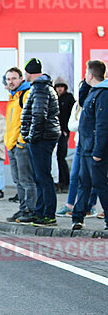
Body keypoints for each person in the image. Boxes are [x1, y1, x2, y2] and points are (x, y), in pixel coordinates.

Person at [17, 58, 61, 226]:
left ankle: (48, 214)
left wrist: (31, 137)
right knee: (40, 176)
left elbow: (38, 115)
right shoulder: (42, 87)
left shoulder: (40, 88)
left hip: (41, 139)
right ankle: (41, 211)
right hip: (43, 137)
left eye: (26, 72)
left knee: (43, 177)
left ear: (29, 72)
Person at [71, 60, 108, 232]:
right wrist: (84, 85)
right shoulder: (92, 92)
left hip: (94, 149)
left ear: (91, 75)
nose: (85, 76)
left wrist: (98, 151)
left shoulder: (103, 95)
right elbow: (82, 100)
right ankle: (78, 217)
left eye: (86, 73)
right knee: (82, 183)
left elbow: (102, 125)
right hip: (85, 147)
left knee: (100, 185)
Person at [56, 80, 99, 217]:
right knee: (75, 176)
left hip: (93, 144)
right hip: (80, 143)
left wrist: (83, 125)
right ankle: (70, 204)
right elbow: (71, 125)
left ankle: (90, 206)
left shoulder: (97, 102)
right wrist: (84, 124)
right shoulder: (77, 105)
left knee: (93, 177)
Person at [4, 68, 36, 222]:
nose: (11, 82)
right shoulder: (12, 96)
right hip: (11, 144)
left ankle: (30, 209)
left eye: (14, 78)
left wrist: (21, 141)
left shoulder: (26, 94)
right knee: (17, 179)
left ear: (21, 78)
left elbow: (29, 120)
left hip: (20, 145)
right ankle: (22, 208)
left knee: (26, 180)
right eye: (8, 79)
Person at [54, 79, 76, 192]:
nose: (59, 89)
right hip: (54, 131)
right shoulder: (54, 98)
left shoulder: (68, 98)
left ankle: (65, 182)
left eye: (61, 86)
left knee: (61, 156)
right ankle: (58, 181)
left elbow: (72, 114)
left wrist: (66, 129)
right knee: (55, 157)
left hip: (64, 131)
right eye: (58, 86)